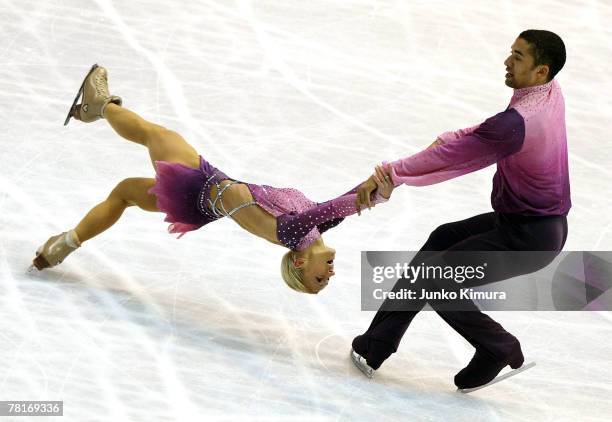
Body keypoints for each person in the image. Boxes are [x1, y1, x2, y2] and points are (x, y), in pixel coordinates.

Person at [31, 65, 393, 294]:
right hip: (202, 204)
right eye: (326, 281)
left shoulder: (294, 234)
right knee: (125, 193)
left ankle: (101, 105)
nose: (329, 276)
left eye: (319, 280)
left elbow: (337, 205)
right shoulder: (314, 230)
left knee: (152, 133)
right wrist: (388, 183)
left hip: (198, 185)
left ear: (299, 264)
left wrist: (372, 192)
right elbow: (346, 201)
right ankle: (59, 247)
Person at [351, 29, 570, 389]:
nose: (506, 61)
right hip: (523, 223)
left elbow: (459, 154)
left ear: (541, 70)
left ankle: (499, 347)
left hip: (530, 236)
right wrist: (452, 136)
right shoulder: (547, 93)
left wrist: (389, 175)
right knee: (442, 240)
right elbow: (485, 134)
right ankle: (376, 345)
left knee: (438, 280)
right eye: (510, 52)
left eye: (517, 57)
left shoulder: (519, 123)